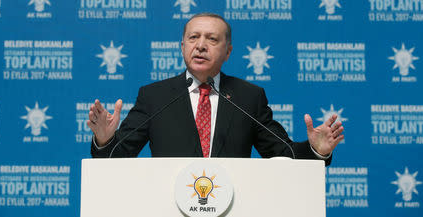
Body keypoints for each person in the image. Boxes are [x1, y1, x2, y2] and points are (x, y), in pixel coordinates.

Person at [89, 13, 344, 162]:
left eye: (212, 39)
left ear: (228, 52)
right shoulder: (154, 96)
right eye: (193, 37)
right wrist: (104, 139)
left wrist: (314, 150)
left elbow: (283, 154)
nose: (200, 45)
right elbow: (115, 159)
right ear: (182, 46)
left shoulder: (248, 97)